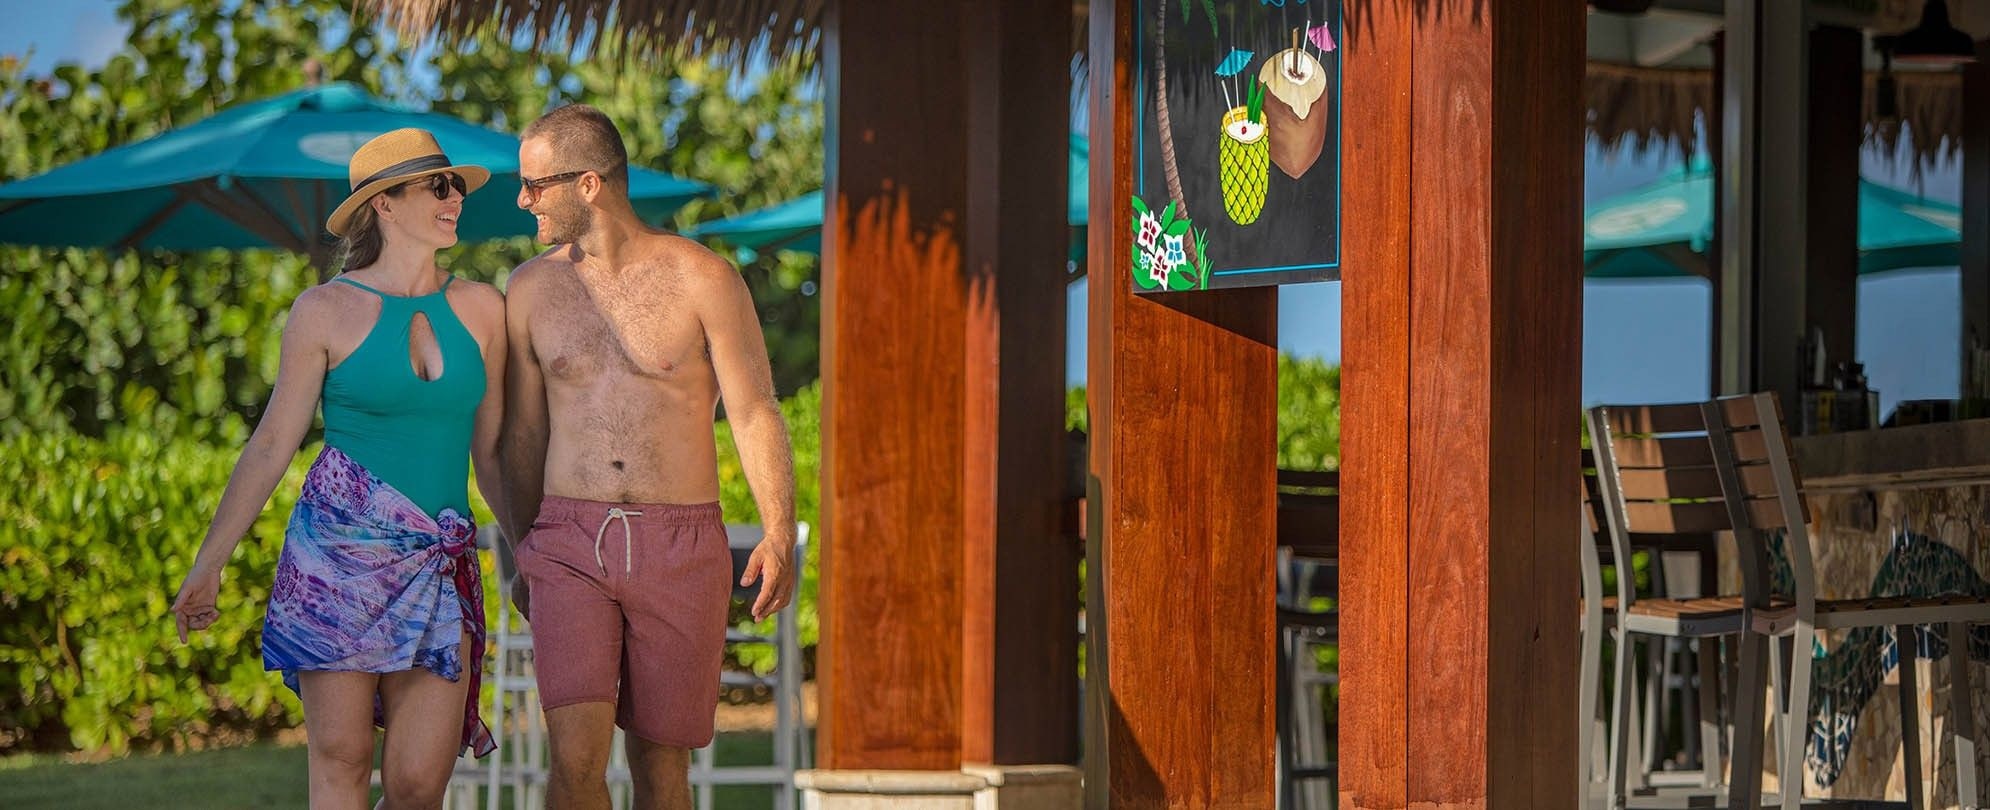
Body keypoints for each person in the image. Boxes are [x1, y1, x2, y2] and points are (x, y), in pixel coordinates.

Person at [171, 128, 508, 809]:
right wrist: (210, 562)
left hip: (438, 572)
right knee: (342, 763)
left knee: (419, 784)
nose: (456, 198)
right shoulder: (322, 310)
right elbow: (271, 445)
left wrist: (527, 551)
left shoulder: (483, 309)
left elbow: (494, 451)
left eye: (457, 186)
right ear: (384, 204)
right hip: (334, 565)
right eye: (438, 186)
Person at [499, 103, 797, 810]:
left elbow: (756, 409)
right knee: (574, 760)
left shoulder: (705, 279)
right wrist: (523, 547)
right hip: (570, 541)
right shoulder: (530, 290)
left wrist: (780, 529)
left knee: (662, 772)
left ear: (591, 184)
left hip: (681, 541)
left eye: (536, 185)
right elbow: (521, 438)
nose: (523, 200)